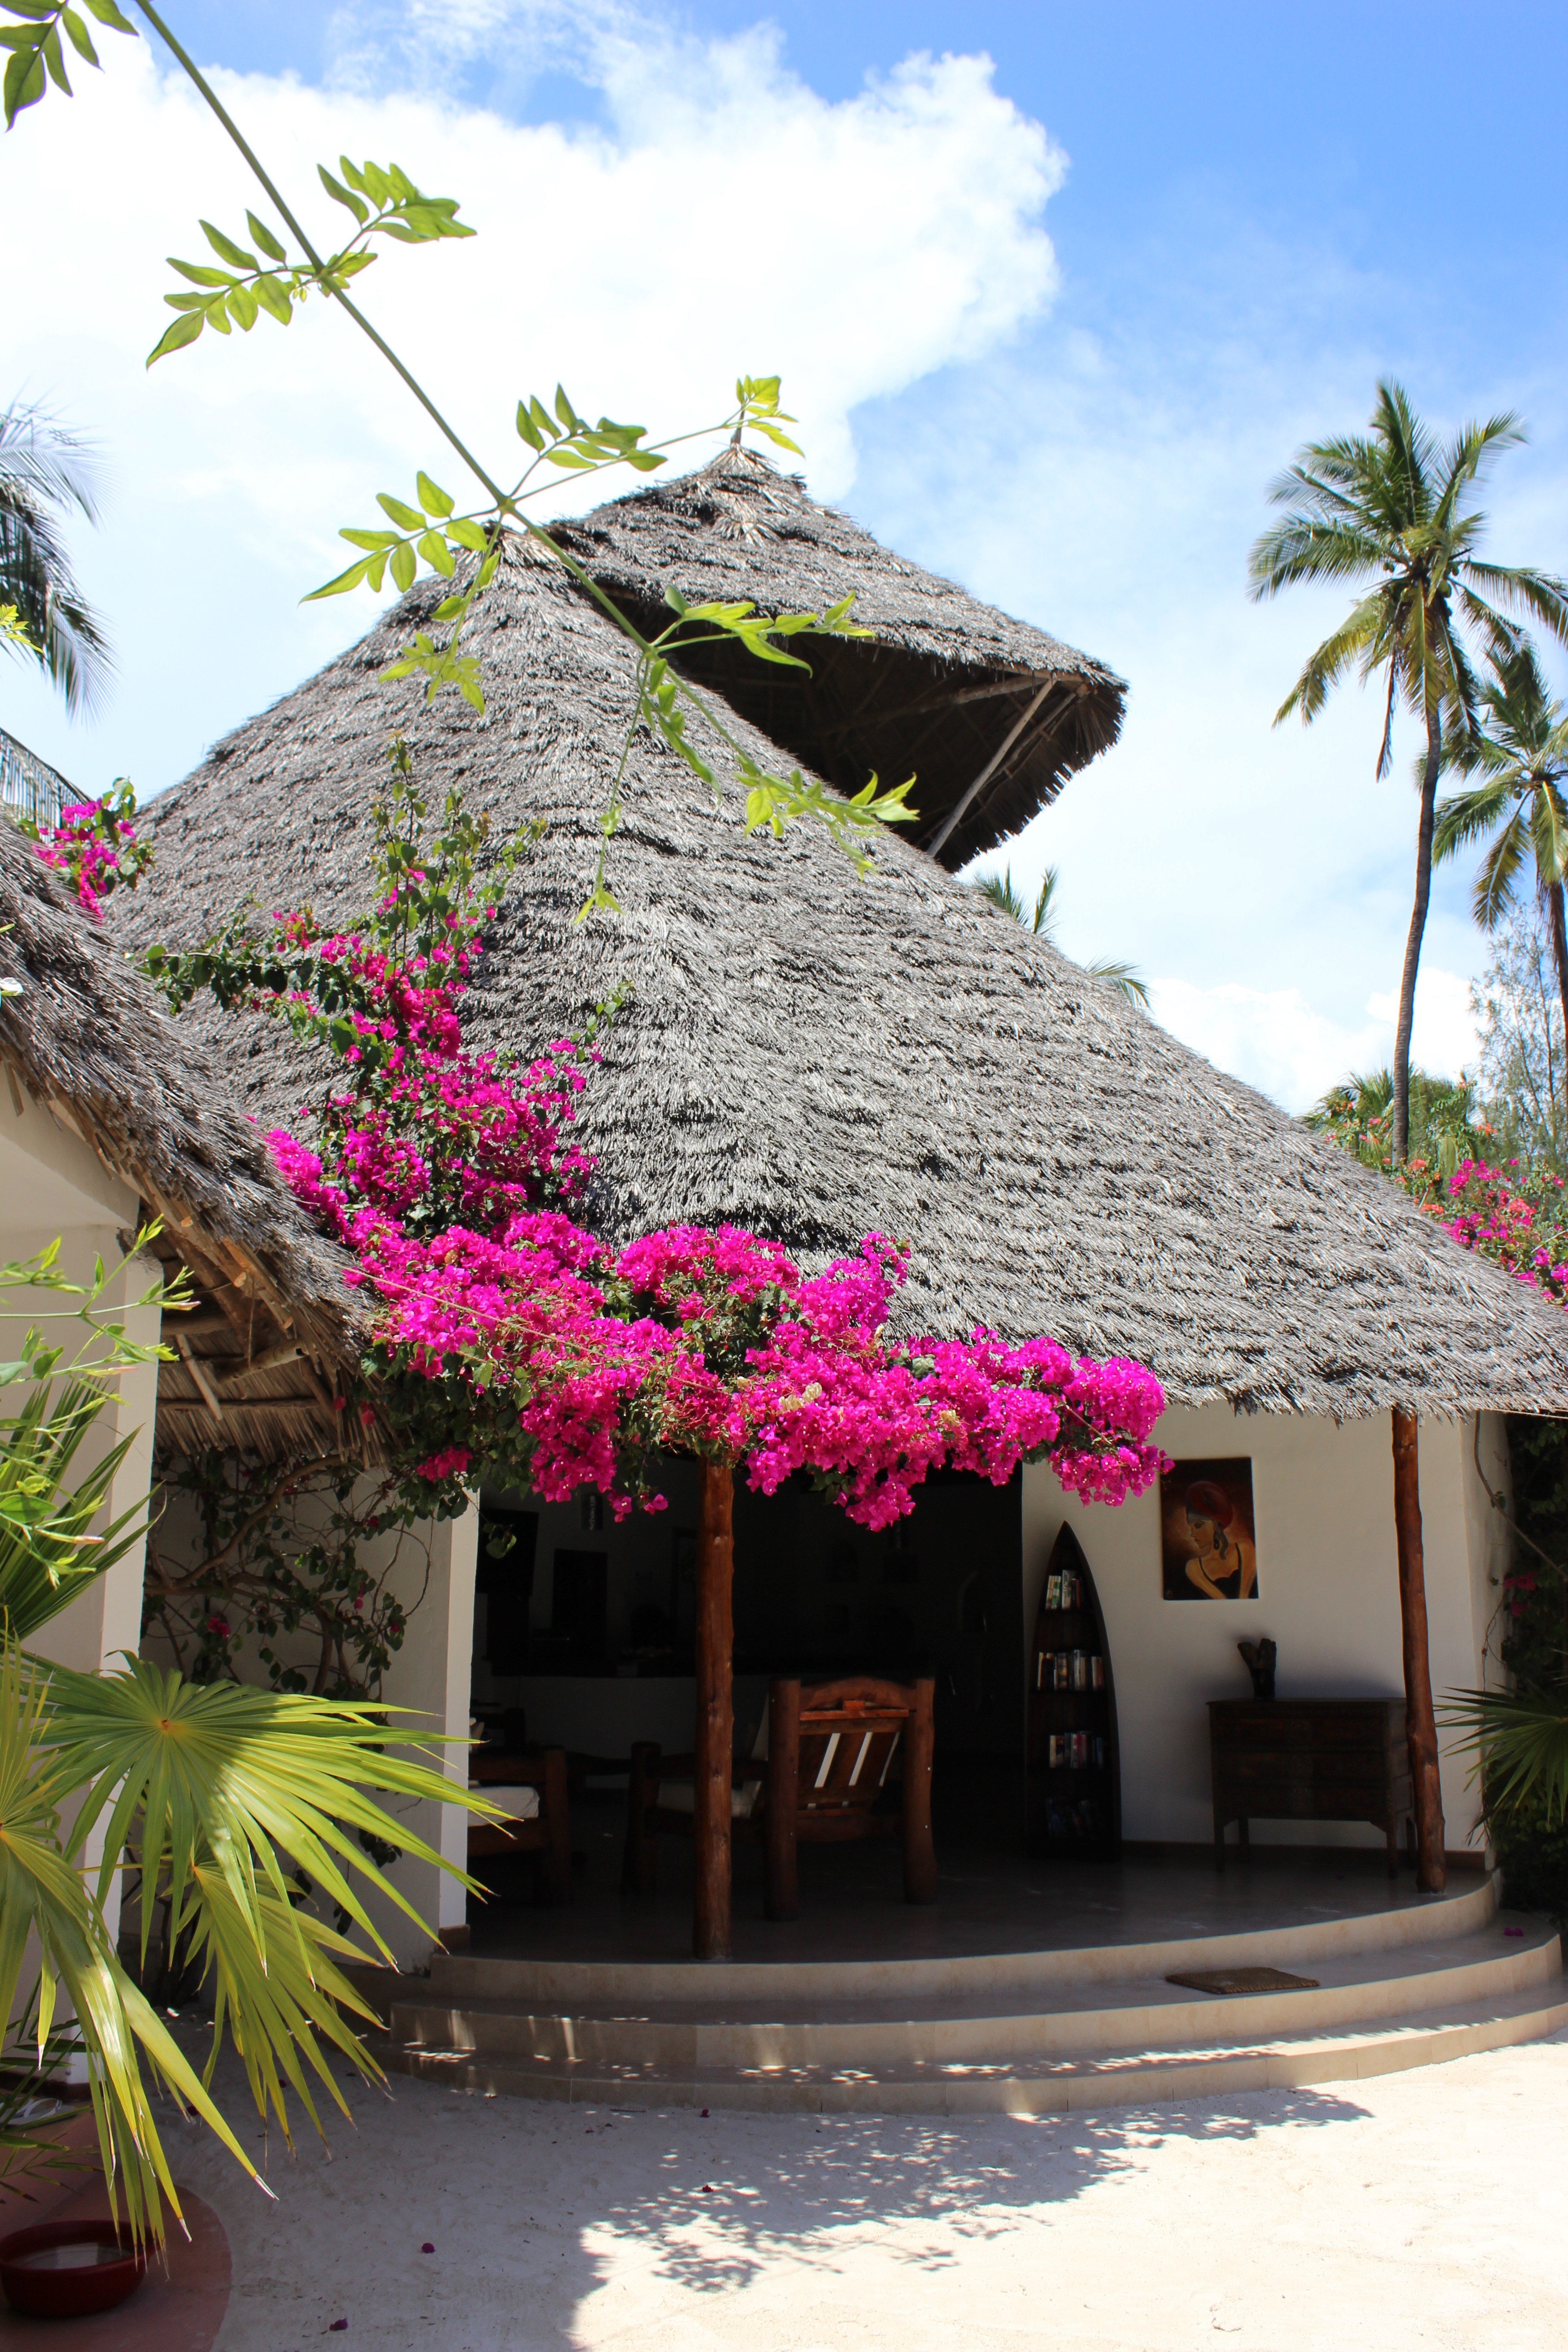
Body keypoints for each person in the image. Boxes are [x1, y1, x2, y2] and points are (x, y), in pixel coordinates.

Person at [1181, 1479, 1256, 1599]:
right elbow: (1222, 1602)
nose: (1193, 1534)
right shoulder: (1194, 1568)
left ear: (1216, 1524)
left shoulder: (1245, 1549)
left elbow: (1244, 1597)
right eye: (1192, 1528)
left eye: (1199, 1525)